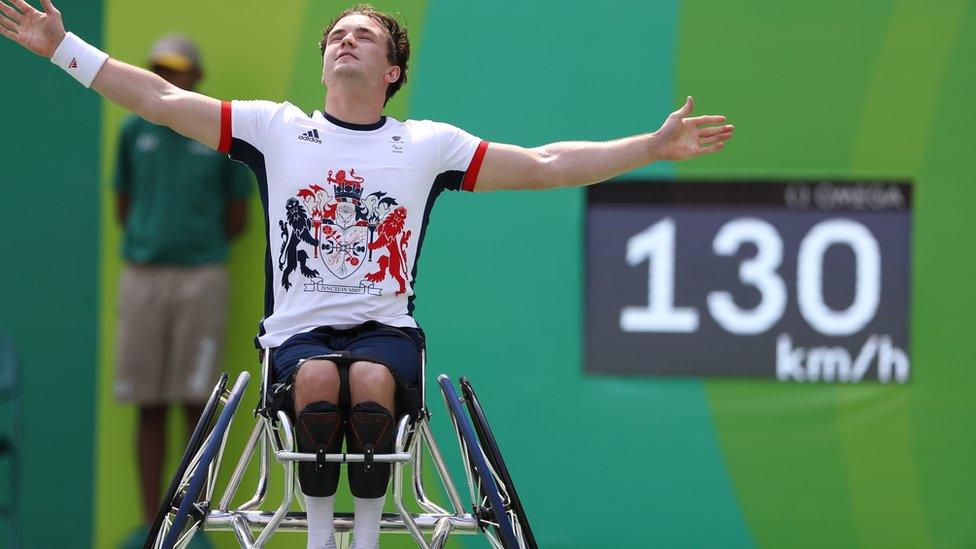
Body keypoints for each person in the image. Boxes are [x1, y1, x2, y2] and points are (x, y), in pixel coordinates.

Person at [0, 2, 734, 548]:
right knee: (321, 387)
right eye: (336, 35)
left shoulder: (427, 145)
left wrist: (651, 146)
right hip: (295, 336)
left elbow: (544, 163)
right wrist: (63, 46)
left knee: (374, 390)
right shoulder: (274, 128)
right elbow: (158, 98)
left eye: (365, 35)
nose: (345, 40)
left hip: (387, 331)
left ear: (390, 72)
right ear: (324, 65)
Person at [108, 33, 252, 548]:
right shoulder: (133, 132)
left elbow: (237, 218)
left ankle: (192, 522)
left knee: (198, 400)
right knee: (148, 401)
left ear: (196, 76)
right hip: (144, 276)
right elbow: (123, 204)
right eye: (159, 69)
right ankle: (155, 527)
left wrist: (193, 244)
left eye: (178, 70)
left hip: (202, 276)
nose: (168, 78)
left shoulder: (217, 139)